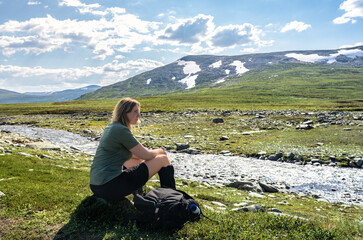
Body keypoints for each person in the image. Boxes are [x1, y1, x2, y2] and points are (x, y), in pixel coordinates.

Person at [90, 97, 175, 201]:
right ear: (125, 112)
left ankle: (140, 193)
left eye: (138, 112)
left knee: (135, 160)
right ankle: (171, 200)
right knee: (163, 159)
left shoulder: (112, 127)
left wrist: (148, 160)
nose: (138, 115)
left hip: (97, 186)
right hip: (110, 187)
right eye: (135, 111)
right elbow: (147, 155)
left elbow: (136, 156)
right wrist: (160, 151)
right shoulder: (121, 130)